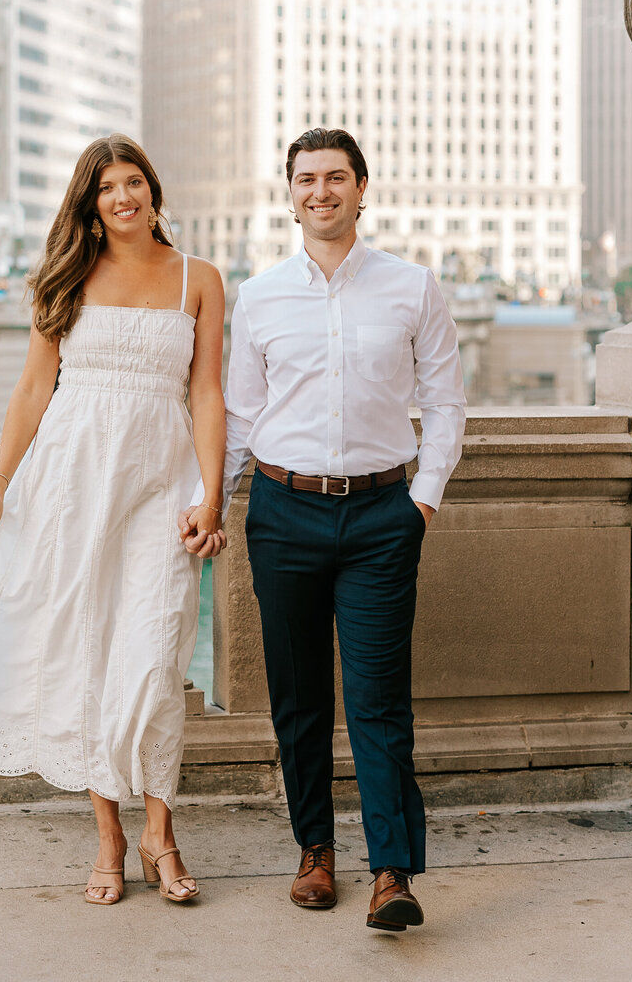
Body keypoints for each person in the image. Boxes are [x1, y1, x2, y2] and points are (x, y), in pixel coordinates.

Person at [0, 134, 227, 907]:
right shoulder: (65, 277)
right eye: (107, 187)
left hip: (162, 487)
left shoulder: (200, 278)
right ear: (90, 203)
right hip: (71, 483)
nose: (123, 197)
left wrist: (212, 494)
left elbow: (207, 394)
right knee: (86, 655)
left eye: (133, 182)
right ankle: (111, 837)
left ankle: (161, 830)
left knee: (156, 658)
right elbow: (32, 389)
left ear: (153, 190)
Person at [181, 128, 465, 933]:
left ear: (361, 189)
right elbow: (241, 416)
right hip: (284, 512)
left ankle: (392, 872)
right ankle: (315, 851)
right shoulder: (261, 294)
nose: (321, 192)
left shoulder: (412, 287)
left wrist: (421, 502)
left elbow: (445, 402)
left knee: (379, 703)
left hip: (381, 517)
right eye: (306, 179)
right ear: (291, 194)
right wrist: (212, 500)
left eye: (336, 177)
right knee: (299, 700)